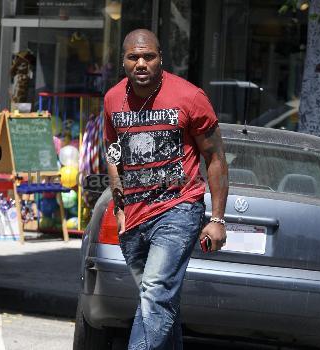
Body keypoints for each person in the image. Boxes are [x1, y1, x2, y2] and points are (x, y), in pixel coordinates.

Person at [104, 29, 228, 349]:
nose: (141, 63)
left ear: (161, 59)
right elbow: (113, 153)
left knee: (155, 290)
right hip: (134, 215)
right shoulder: (113, 99)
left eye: (149, 56)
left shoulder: (189, 97)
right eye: (133, 57)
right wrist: (119, 207)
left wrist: (217, 218)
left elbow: (214, 156)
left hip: (179, 209)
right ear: (123, 61)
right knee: (158, 302)